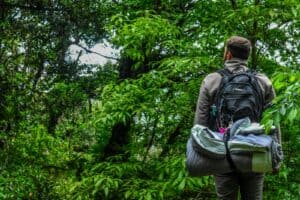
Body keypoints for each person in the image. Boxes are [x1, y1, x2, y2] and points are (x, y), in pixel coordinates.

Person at [193, 36, 281, 200]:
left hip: (222, 152)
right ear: (247, 55)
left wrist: (200, 158)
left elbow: (200, 124)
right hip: (255, 152)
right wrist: (276, 158)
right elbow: (273, 123)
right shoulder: (263, 82)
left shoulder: (212, 80)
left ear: (228, 54)